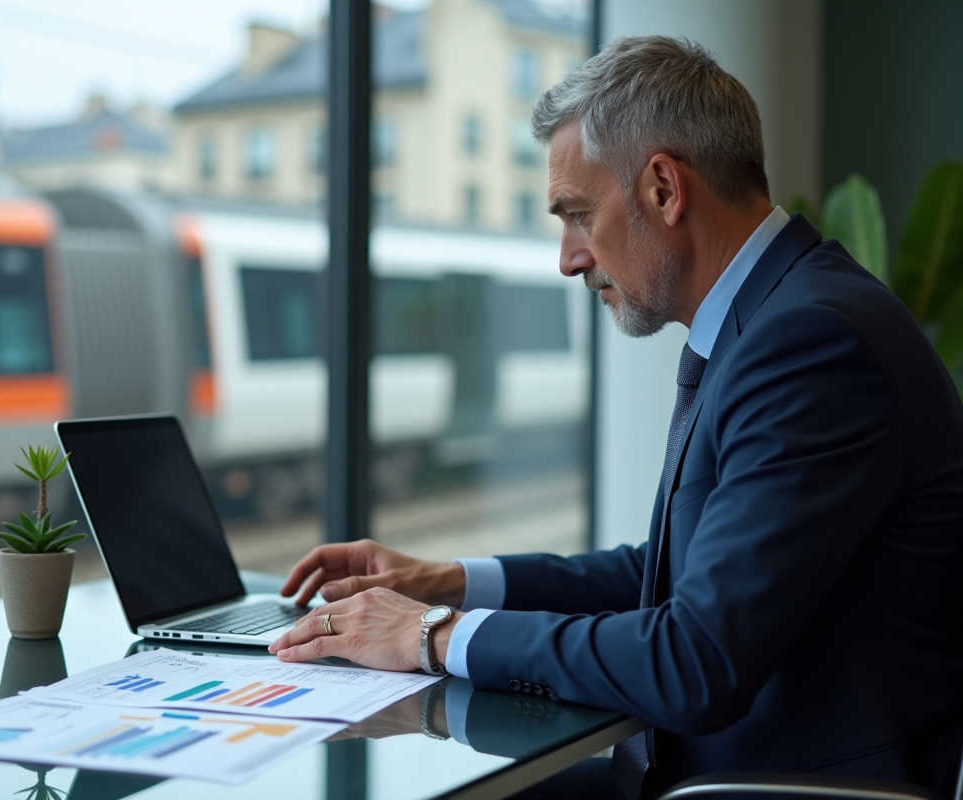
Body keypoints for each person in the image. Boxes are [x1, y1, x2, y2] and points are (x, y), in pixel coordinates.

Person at [269, 35, 963, 800]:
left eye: (577, 215)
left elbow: (696, 659)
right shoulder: (780, 315)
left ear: (664, 188)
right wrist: (454, 584)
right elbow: (668, 576)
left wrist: (428, 636)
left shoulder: (811, 341)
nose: (568, 258)